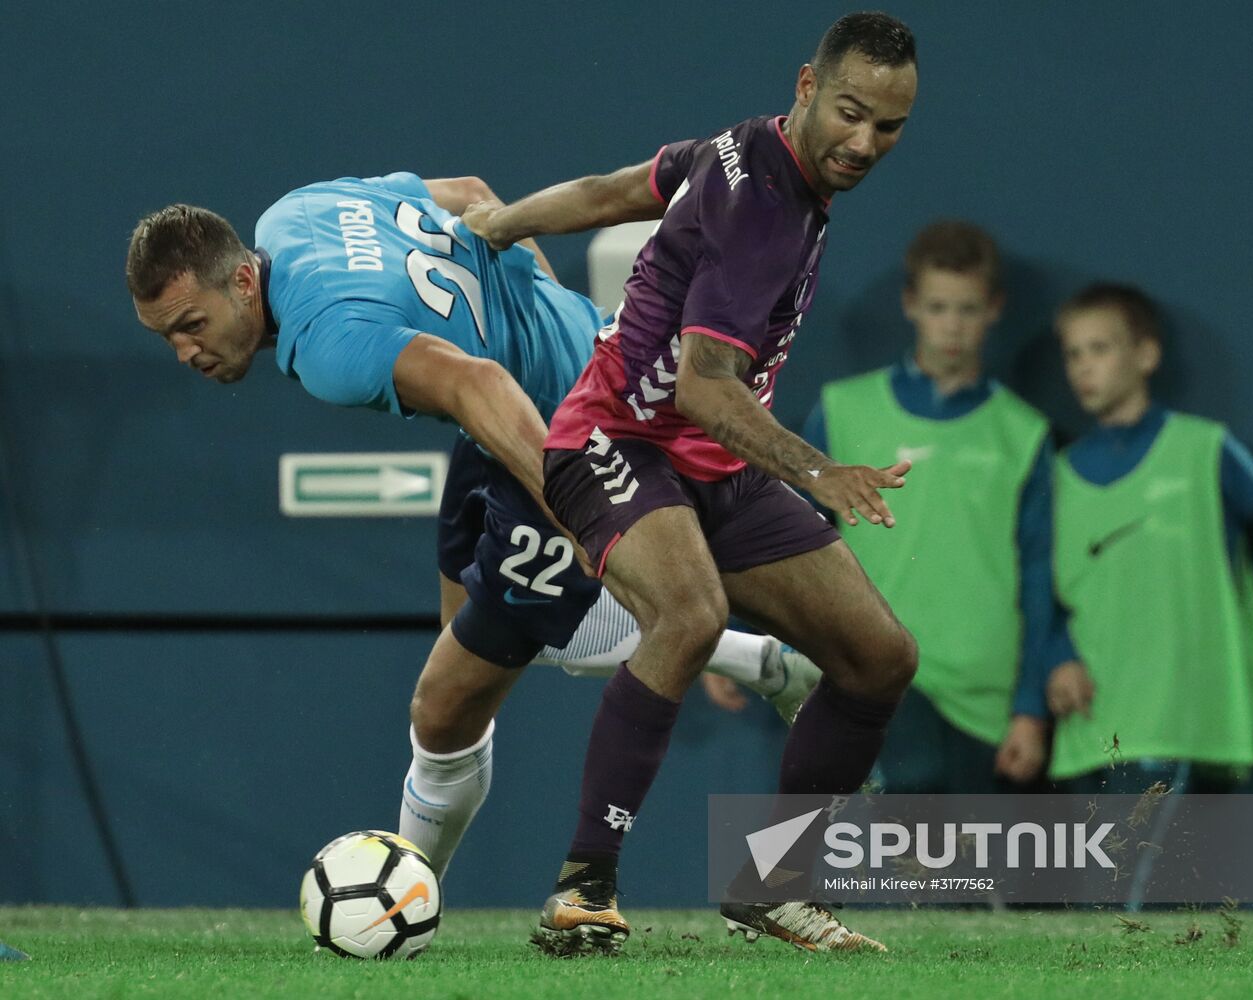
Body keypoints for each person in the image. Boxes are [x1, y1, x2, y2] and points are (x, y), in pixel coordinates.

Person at [124, 174, 819, 885]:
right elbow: (469, 193)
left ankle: (408, 896)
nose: (184, 352)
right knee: (456, 685)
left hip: (558, 432)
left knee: (458, 692)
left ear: (243, 281)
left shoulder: (326, 341)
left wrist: (585, 510)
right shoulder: (295, 209)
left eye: (191, 325)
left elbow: (478, 384)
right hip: (520, 413)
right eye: (167, 337)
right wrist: (546, 310)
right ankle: (409, 894)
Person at [465, 11, 920, 955]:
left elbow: (614, 191)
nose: (865, 142)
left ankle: (774, 888)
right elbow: (710, 391)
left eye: (890, 126)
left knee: (879, 658)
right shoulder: (766, 212)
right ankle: (582, 889)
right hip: (614, 443)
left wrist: (499, 224)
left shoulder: (743, 147)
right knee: (688, 615)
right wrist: (819, 471)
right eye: (850, 112)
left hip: (714, 470)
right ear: (807, 85)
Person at [802, 220, 1075, 792]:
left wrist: (1030, 708)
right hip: (876, 679)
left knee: (968, 879)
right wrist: (763, 647)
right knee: (899, 868)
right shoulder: (841, 412)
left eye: (968, 309)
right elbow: (787, 548)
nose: (952, 327)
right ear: (911, 304)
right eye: (938, 307)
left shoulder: (1022, 435)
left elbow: (1039, 576)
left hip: (986, 701)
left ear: (994, 308)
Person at [1048, 283, 1253, 797]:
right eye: (1073, 354)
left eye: (1100, 348)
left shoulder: (1204, 448)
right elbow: (1045, 592)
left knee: (1152, 876)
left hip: (1183, 719)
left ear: (1146, 354)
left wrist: (1230, 608)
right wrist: (1057, 656)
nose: (1084, 366)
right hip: (1091, 723)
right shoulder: (1058, 476)